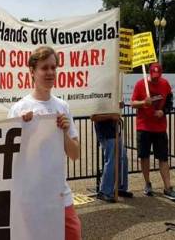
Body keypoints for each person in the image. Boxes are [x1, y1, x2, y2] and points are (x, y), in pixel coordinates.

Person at [8, 46, 81, 240]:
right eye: (44, 68)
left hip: (58, 195)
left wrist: (65, 132)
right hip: (30, 199)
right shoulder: (19, 109)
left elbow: (75, 154)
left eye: (53, 67)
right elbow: (8, 160)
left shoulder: (62, 107)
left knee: (73, 234)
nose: (50, 72)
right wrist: (22, 130)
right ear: (32, 71)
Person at [131, 62, 175, 199]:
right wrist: (144, 102)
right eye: (153, 76)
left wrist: (163, 111)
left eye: (158, 76)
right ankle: (147, 183)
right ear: (149, 73)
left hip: (160, 127)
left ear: (161, 73)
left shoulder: (165, 84)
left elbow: (169, 103)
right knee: (144, 157)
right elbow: (133, 103)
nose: (156, 78)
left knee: (163, 157)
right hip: (143, 126)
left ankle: (167, 187)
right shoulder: (140, 84)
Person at [91, 110, 133, 203]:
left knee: (123, 158)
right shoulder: (100, 99)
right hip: (106, 133)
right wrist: (111, 116)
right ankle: (104, 191)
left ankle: (119, 188)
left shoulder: (113, 98)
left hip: (114, 132)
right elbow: (93, 117)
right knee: (111, 161)